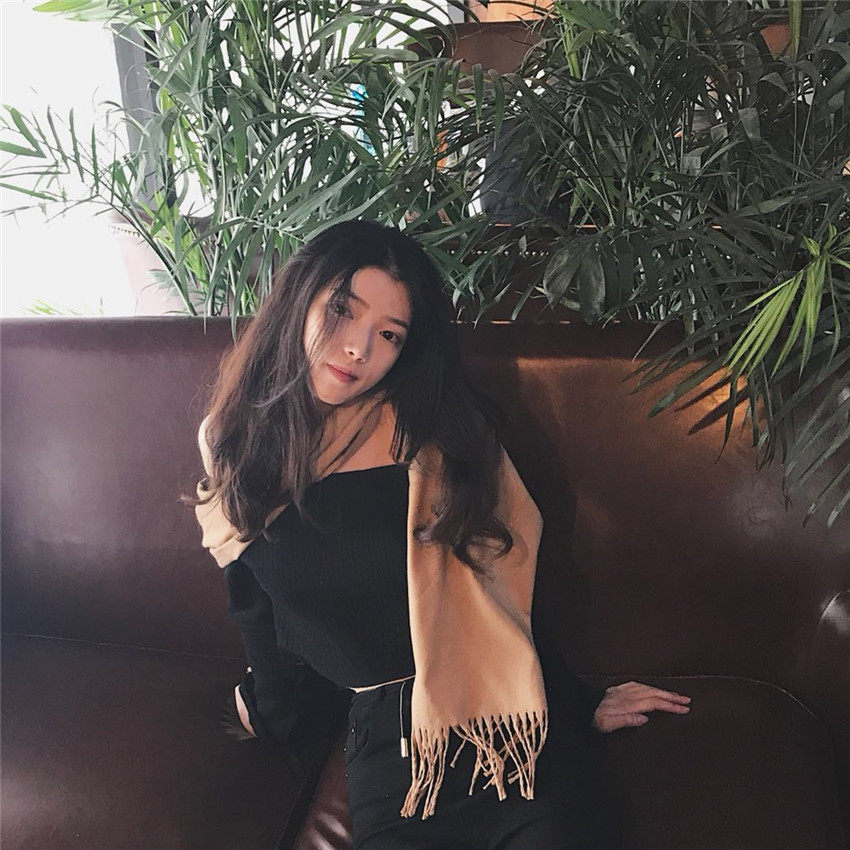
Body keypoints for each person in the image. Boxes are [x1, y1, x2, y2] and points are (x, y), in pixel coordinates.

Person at [190, 219, 692, 849]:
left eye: (389, 334)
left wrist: (575, 700)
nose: (358, 349)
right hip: (390, 740)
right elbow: (257, 601)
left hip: (496, 710)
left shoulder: (435, 434)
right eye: (343, 311)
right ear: (300, 300)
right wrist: (269, 706)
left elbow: (503, 586)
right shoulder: (234, 440)